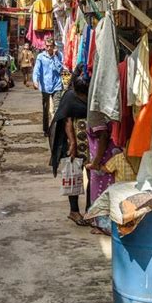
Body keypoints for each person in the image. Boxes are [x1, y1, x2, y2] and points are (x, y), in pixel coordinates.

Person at [48, 73, 91, 226]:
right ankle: (74, 211)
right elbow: (67, 120)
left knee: (92, 176)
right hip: (72, 141)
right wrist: (72, 143)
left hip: (90, 142)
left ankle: (90, 210)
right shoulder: (70, 97)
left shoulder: (92, 96)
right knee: (74, 175)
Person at [86, 110, 123, 234]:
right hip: (112, 154)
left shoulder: (95, 111)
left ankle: (105, 226)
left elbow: (103, 135)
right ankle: (107, 224)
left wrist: (96, 162)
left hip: (103, 158)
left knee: (102, 191)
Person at [32, 36, 63, 135]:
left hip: (57, 86)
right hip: (45, 86)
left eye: (51, 46)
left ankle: (57, 130)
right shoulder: (41, 57)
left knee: (57, 109)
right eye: (47, 46)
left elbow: (60, 70)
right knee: (45, 108)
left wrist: (54, 57)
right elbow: (36, 69)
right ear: (45, 46)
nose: (49, 48)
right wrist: (35, 81)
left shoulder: (59, 55)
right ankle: (46, 129)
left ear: (54, 46)